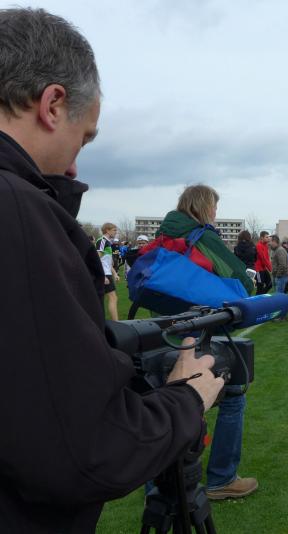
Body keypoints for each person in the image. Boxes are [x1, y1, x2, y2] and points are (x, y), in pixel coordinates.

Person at [0, 9, 225, 530]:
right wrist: (187, 397)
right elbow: (82, 451)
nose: (74, 166)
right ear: (53, 105)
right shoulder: (16, 209)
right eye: (84, 137)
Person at [140, 184, 258, 500]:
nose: (216, 214)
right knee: (233, 394)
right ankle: (222, 478)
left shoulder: (163, 234)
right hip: (195, 330)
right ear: (205, 207)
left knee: (165, 403)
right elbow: (241, 278)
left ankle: (157, 489)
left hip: (160, 330)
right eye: (215, 208)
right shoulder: (203, 236)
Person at [96, 222, 120, 320]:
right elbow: (97, 259)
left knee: (102, 298)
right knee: (113, 297)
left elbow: (107, 263)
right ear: (107, 230)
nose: (116, 232)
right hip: (104, 274)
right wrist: (103, 275)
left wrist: (115, 274)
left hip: (107, 273)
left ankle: (99, 321)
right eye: (114, 230)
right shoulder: (102, 240)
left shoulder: (108, 242)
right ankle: (116, 323)